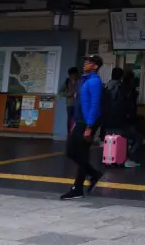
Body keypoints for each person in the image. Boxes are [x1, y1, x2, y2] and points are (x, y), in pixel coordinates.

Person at [60, 55, 104, 200]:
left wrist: (89, 126)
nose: (85, 63)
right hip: (80, 120)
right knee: (82, 154)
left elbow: (95, 105)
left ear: (95, 66)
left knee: (71, 151)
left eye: (89, 62)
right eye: (85, 61)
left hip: (86, 121)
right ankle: (78, 187)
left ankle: (93, 175)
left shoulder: (94, 82)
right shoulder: (85, 80)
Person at [103, 68, 141, 168]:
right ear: (121, 76)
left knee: (111, 139)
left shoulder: (106, 87)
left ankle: (111, 158)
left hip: (106, 123)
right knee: (137, 138)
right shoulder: (122, 88)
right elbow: (125, 105)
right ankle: (128, 159)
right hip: (119, 122)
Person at [61, 67, 80, 132]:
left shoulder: (80, 81)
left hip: (78, 104)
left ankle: (75, 134)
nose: (73, 77)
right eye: (71, 75)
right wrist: (67, 94)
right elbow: (60, 92)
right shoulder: (67, 81)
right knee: (69, 120)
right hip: (70, 104)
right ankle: (69, 134)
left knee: (77, 120)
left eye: (75, 75)